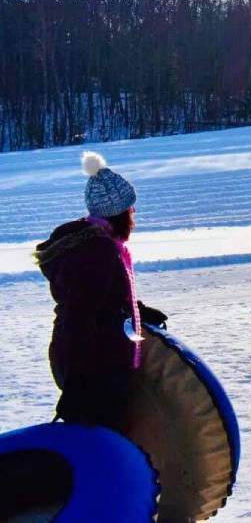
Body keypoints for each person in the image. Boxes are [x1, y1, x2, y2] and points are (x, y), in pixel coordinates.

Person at [33, 152, 166, 429]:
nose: (134, 215)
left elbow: (101, 300)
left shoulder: (96, 246)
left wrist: (136, 311)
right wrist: (76, 384)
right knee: (106, 445)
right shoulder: (98, 252)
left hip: (91, 366)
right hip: (92, 372)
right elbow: (78, 317)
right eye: (131, 209)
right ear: (119, 213)